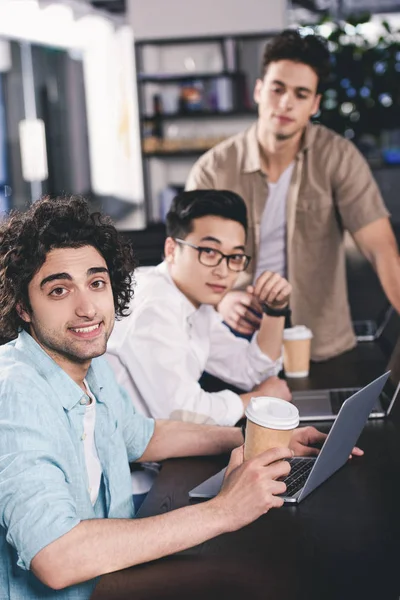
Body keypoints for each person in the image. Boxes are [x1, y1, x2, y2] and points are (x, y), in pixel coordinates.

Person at [0, 195, 342, 599]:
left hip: (115, 577)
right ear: (23, 305)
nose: (87, 308)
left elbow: (142, 435)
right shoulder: (15, 393)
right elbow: (56, 557)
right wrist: (223, 510)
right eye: (59, 291)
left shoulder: (92, 364)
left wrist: (257, 440)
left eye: (97, 283)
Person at [186, 29, 400, 361]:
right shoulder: (213, 169)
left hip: (318, 341)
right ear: (259, 90)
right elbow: (189, 261)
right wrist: (221, 300)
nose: (286, 103)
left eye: (301, 94)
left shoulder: (338, 157)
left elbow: (381, 250)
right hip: (235, 340)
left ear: (314, 103)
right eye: (278, 89)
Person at [107, 189, 292, 427]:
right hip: (129, 459)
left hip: (161, 447)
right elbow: (182, 414)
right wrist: (258, 400)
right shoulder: (155, 305)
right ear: (172, 250)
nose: (223, 271)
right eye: (209, 252)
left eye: (235, 257)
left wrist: (275, 311)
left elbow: (250, 370)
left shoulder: (194, 301)